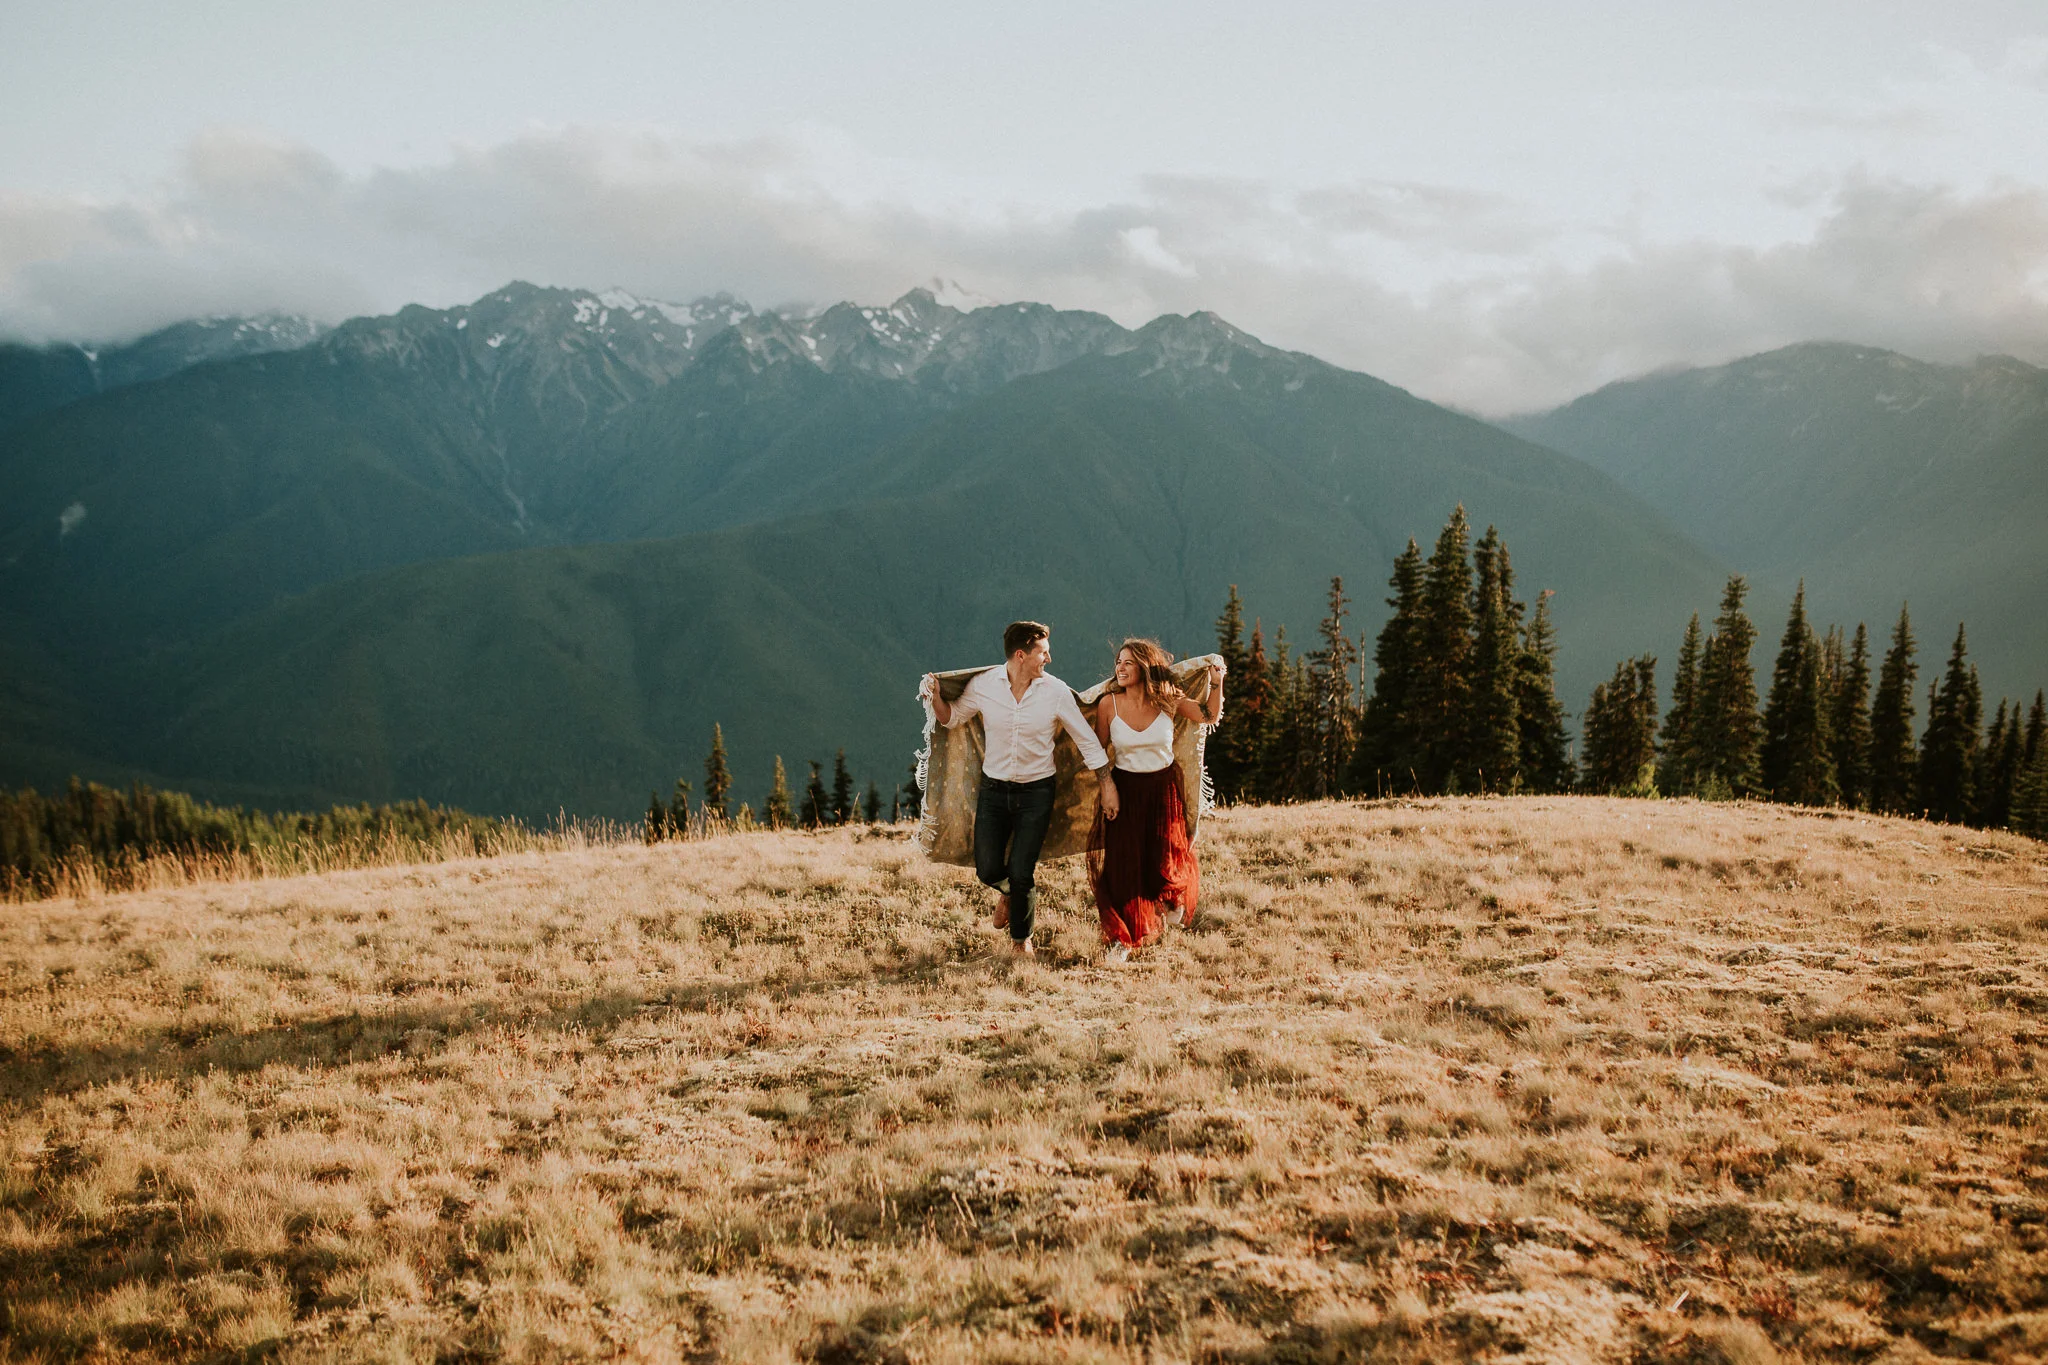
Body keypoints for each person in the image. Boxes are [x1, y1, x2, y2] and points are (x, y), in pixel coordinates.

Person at [922, 621, 1119, 957]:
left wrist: (1106, 783)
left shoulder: (1055, 691)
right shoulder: (985, 685)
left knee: (1021, 870)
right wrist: (937, 698)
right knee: (987, 869)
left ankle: (1021, 941)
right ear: (1020, 655)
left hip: (1037, 794)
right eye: (1043, 652)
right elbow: (952, 718)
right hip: (993, 791)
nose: (1049, 658)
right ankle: (1011, 894)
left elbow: (1086, 740)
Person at [1088, 639, 1224, 962]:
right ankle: (1124, 938)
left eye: (1128, 663)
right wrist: (1107, 787)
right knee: (1122, 869)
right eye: (1118, 663)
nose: (1120, 668)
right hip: (1124, 792)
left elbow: (1207, 714)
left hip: (1163, 792)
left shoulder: (1167, 699)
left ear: (1145, 667)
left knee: (1163, 860)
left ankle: (1168, 903)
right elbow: (1096, 751)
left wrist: (1217, 681)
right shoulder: (1109, 704)